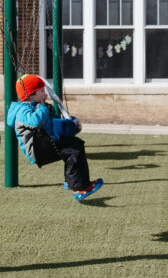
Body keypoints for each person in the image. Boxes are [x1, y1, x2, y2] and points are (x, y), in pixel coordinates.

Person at [6, 73, 103, 201]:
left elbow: (47, 123)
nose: (44, 94)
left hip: (46, 142)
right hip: (37, 150)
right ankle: (80, 188)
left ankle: (71, 181)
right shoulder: (22, 110)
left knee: (77, 144)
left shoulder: (32, 106)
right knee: (73, 151)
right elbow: (35, 121)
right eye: (41, 91)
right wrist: (42, 107)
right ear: (31, 95)